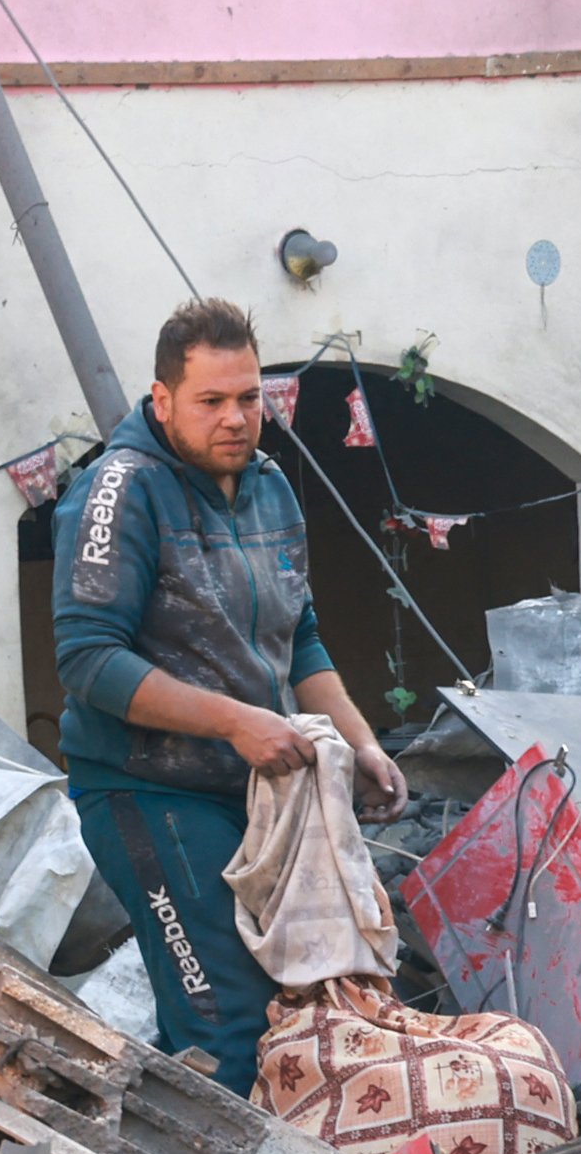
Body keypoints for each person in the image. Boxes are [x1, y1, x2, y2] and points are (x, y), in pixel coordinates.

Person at [49, 296, 401, 1085]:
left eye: (249, 397)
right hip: (145, 792)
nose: (236, 418)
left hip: (255, 789)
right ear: (162, 399)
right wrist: (237, 721)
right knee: (228, 1027)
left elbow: (298, 634)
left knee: (317, 1004)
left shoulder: (271, 486)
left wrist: (361, 742)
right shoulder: (119, 490)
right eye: (211, 401)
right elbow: (87, 659)